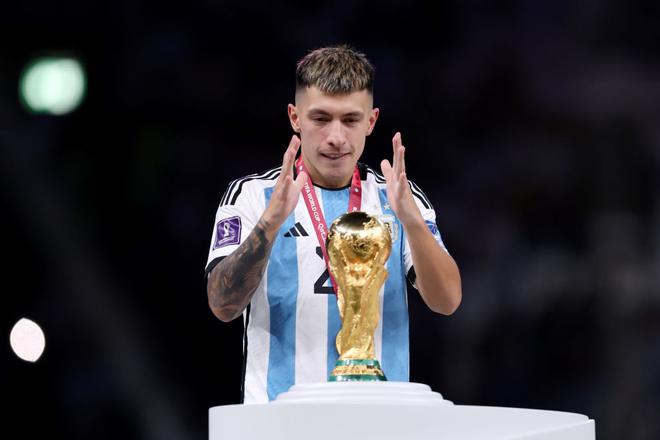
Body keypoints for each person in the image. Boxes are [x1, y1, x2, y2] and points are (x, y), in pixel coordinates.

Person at [205, 45, 461, 403]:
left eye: (350, 120)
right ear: (295, 118)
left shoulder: (400, 198)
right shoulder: (252, 196)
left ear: (371, 121)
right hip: (279, 426)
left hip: (379, 421)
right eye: (321, 119)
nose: (336, 137)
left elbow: (447, 301)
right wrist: (270, 224)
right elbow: (222, 305)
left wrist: (413, 224)